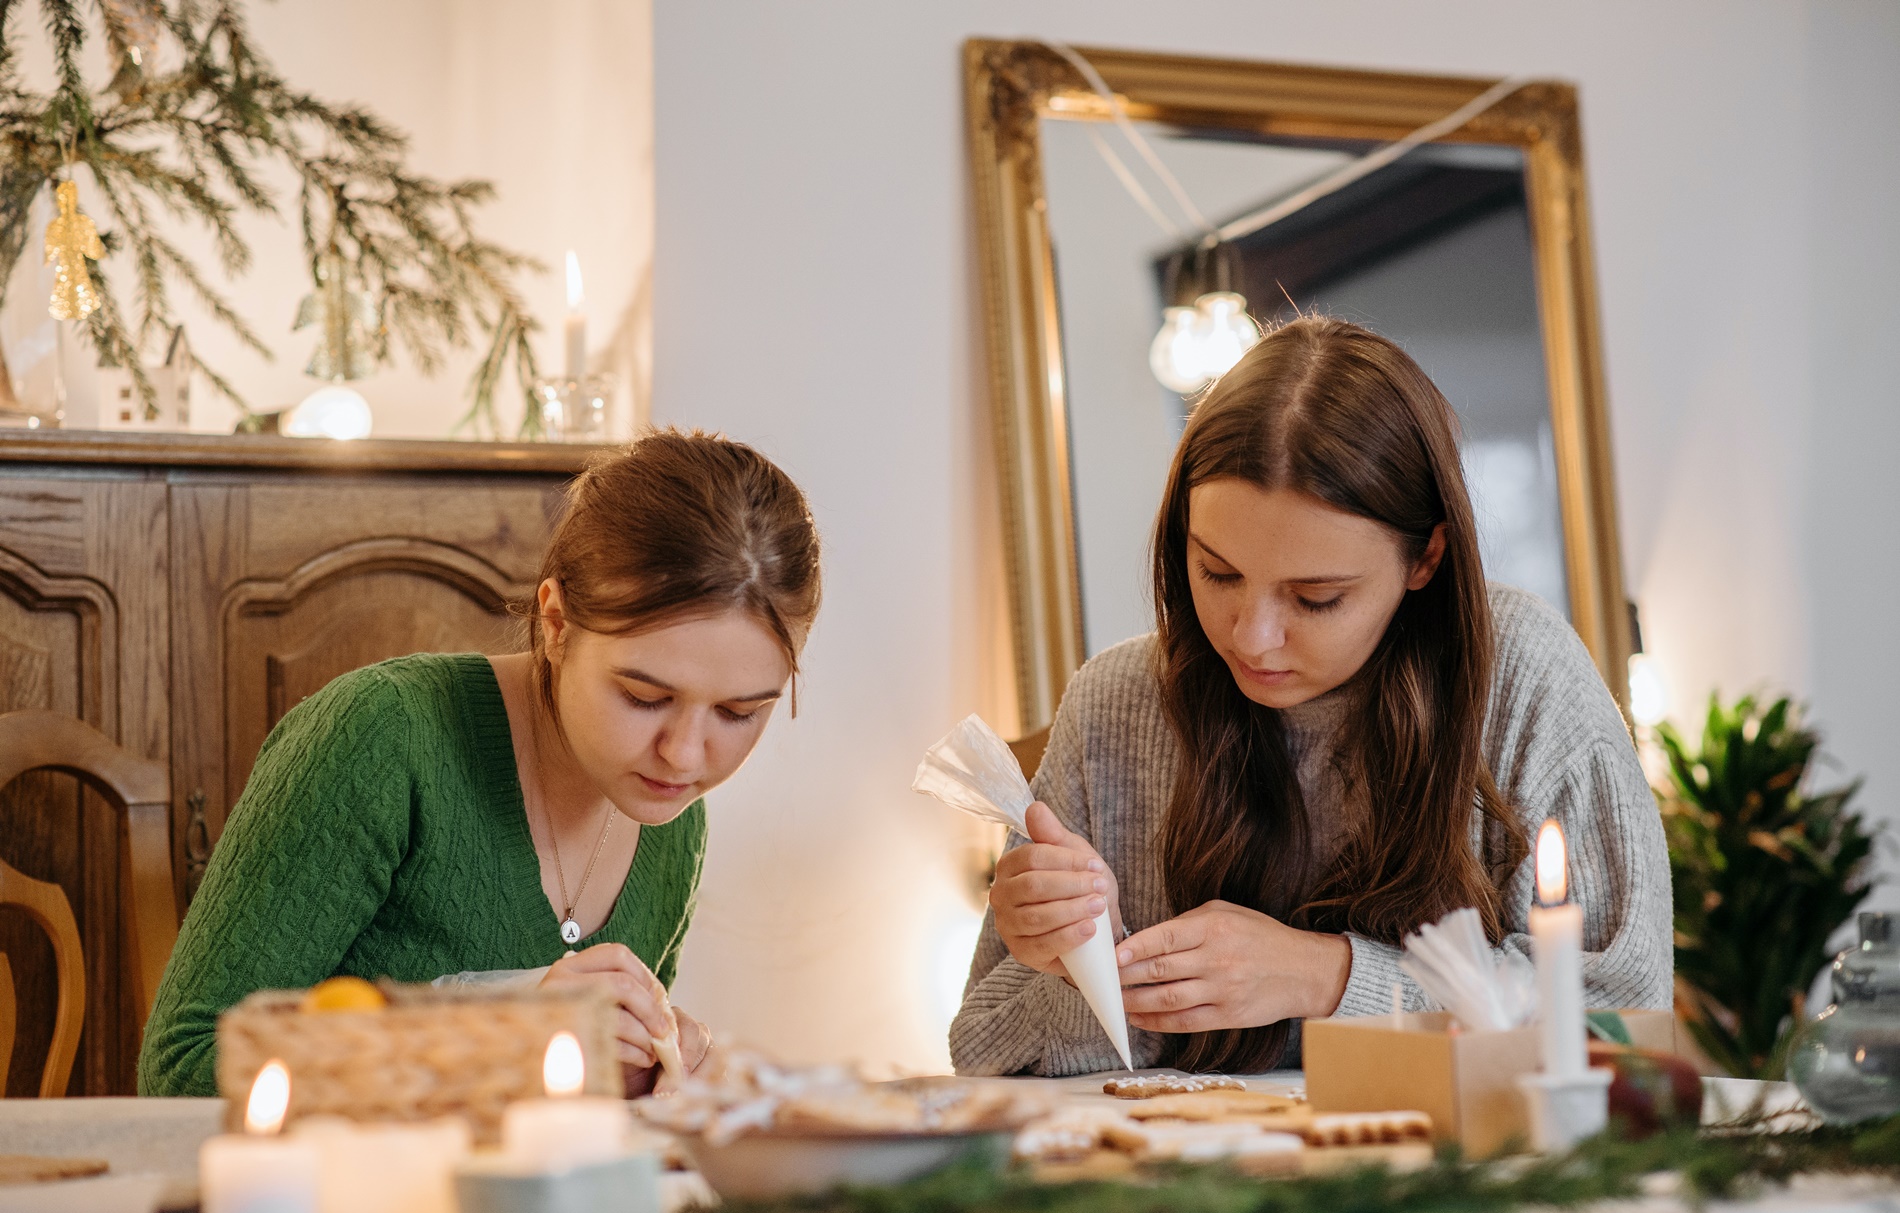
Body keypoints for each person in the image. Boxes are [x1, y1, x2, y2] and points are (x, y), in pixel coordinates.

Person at [950, 316, 1671, 1076]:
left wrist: (1325, 977)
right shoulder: (1115, 705)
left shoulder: (1521, 676)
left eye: (1316, 598)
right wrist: (1081, 973)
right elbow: (985, 1049)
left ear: (1426, 557)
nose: (1252, 638)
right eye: (1217, 573)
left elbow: (1622, 1028)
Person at [139, 430, 821, 1097]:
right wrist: (496, 1033)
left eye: (739, 713)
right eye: (644, 697)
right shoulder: (383, 737)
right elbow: (181, 1072)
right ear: (556, 625)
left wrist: (654, 1071)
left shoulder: (672, 817)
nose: (685, 754)